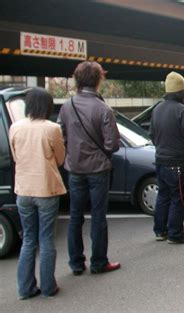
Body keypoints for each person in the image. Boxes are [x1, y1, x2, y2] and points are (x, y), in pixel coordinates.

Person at [58, 61, 121, 275]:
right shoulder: (103, 108)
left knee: (75, 216)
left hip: (74, 168)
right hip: (98, 169)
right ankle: (98, 262)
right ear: (98, 80)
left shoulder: (67, 106)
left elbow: (61, 137)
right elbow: (112, 144)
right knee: (98, 216)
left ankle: (76, 264)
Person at [9, 88, 66, 299]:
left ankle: (25, 289)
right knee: (47, 240)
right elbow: (60, 158)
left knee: (28, 240)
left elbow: (16, 157)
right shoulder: (52, 128)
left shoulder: (15, 127)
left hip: (23, 189)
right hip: (46, 188)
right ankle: (48, 287)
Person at [149, 72, 184, 244]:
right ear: (181, 92)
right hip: (180, 163)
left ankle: (160, 230)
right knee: (180, 198)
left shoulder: (157, 109)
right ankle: (175, 234)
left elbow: (152, 135)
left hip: (161, 160)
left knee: (163, 196)